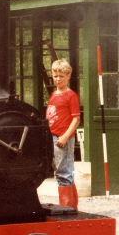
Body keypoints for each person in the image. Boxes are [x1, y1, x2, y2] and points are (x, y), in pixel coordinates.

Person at [45, 58, 81, 209]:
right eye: (55, 75)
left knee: (63, 172)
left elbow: (76, 119)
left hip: (62, 138)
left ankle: (66, 207)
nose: (58, 79)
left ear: (68, 77)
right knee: (63, 171)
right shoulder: (55, 94)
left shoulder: (71, 95)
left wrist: (65, 136)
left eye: (61, 76)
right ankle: (72, 207)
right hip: (54, 136)